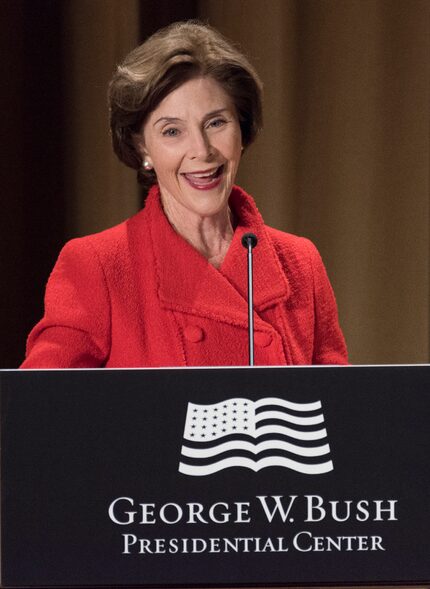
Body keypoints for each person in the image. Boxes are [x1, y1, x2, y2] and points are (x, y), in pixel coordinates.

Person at [21, 21, 347, 369]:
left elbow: (343, 410)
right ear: (142, 146)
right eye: (172, 131)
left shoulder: (299, 263)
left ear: (242, 127)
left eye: (216, 123)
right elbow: (42, 411)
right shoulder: (97, 265)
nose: (201, 150)